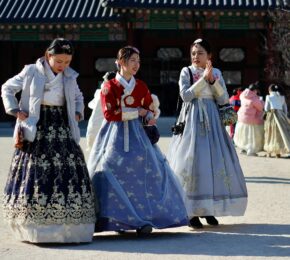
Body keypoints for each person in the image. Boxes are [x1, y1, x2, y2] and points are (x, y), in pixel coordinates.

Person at [1, 38, 96, 243]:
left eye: (67, 61)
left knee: (68, 171)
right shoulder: (31, 71)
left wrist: (78, 112)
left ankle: (70, 228)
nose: (63, 66)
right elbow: (7, 88)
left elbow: (79, 97)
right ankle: (36, 228)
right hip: (37, 124)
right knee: (35, 171)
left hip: (61, 125)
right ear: (48, 56)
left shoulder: (70, 76)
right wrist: (15, 110)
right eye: (59, 61)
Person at [87, 46, 188, 235]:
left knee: (145, 172)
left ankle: (143, 219)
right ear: (121, 62)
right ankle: (118, 219)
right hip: (113, 135)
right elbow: (110, 114)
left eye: (138, 61)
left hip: (138, 135)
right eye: (132, 60)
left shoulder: (140, 85)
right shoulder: (109, 87)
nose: (136, 64)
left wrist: (150, 114)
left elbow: (150, 105)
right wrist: (137, 112)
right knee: (111, 170)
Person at [167, 38, 248, 229]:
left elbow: (223, 99)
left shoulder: (217, 72)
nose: (196, 56)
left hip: (212, 121)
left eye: (200, 53)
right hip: (192, 120)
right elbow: (185, 96)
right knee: (192, 161)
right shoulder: (186, 72)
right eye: (193, 53)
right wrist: (204, 80)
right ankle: (191, 211)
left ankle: (208, 208)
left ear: (209, 55)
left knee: (212, 162)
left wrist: (213, 81)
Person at [234, 83, 265, 156]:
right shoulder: (254, 98)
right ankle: (250, 150)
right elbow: (260, 107)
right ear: (255, 90)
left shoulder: (243, 95)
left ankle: (243, 148)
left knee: (243, 134)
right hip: (252, 119)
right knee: (252, 136)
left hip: (242, 118)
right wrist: (261, 101)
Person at [264, 84, 290, 158]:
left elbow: (266, 108)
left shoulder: (268, 97)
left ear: (270, 90)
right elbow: (285, 108)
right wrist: (284, 116)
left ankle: (269, 151)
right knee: (280, 133)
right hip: (281, 115)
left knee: (270, 133)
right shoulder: (282, 97)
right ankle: (278, 152)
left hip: (272, 115)